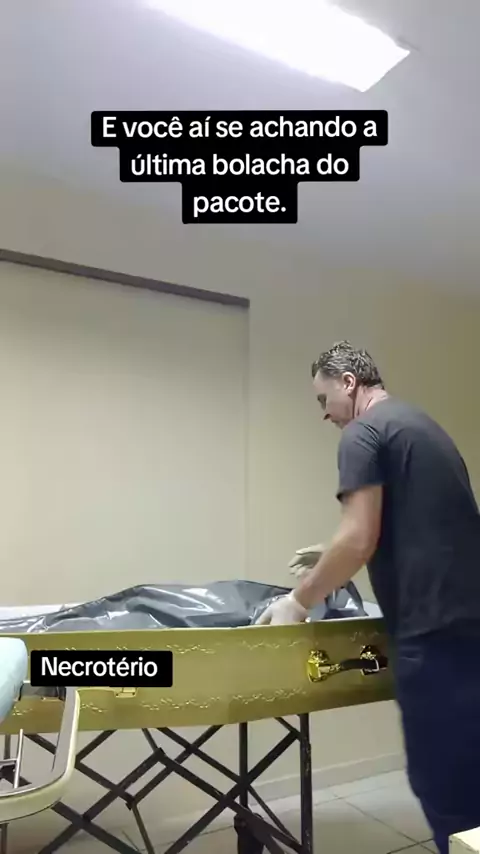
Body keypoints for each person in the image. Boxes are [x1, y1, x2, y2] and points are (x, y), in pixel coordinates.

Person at [256, 340, 480, 854]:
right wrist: (333, 552)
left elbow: (359, 537)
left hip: (433, 638)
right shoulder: (423, 427)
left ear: (349, 383)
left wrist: (298, 601)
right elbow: (432, 525)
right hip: (473, 630)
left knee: (446, 791)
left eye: (323, 399)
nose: (324, 414)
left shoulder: (362, 432)